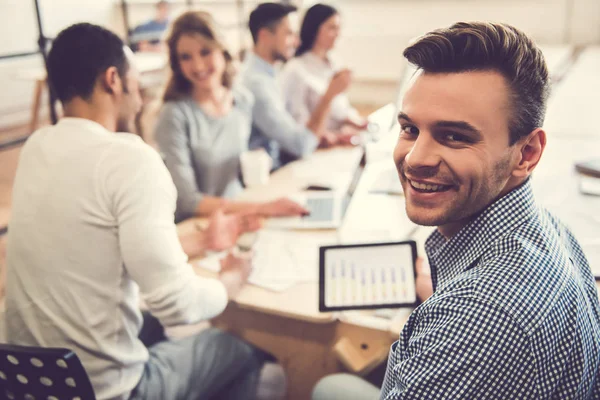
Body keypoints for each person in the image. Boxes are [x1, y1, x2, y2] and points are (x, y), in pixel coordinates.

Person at [313, 22, 600, 400]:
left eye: (454, 136)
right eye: (410, 129)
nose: (415, 160)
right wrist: (445, 293)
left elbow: (489, 318)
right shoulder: (552, 230)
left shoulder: (480, 319)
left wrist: (460, 305)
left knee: (328, 387)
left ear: (526, 153)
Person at [4, 23, 283, 400]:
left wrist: (199, 239)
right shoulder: (129, 157)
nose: (141, 90)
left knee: (153, 327)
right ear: (113, 79)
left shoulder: (37, 147)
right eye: (136, 77)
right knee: (234, 348)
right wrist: (231, 282)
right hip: (109, 391)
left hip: (32, 381)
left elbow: (97, 246)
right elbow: (178, 305)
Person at [154, 11, 308, 222]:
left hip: (239, 211)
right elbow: (188, 201)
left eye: (205, 52)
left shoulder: (241, 100)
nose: (198, 65)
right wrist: (261, 207)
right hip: (199, 223)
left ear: (222, 50)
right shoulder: (174, 115)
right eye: (186, 57)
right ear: (176, 64)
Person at [240, 2, 356, 170]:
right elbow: (301, 145)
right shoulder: (257, 84)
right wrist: (328, 97)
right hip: (271, 174)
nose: (296, 42)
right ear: (264, 36)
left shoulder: (270, 74)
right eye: (288, 34)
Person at [280, 3, 367, 134]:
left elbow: (340, 109)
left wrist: (355, 121)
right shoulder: (295, 70)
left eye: (339, 28)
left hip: (340, 135)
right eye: (332, 28)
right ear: (314, 29)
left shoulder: (333, 63)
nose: (338, 34)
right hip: (317, 144)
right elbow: (298, 126)